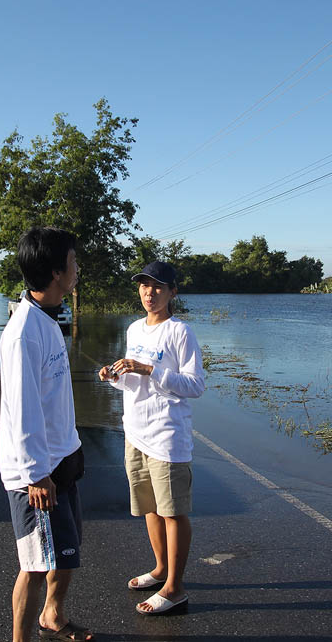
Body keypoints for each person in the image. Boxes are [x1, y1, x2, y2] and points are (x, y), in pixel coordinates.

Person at [0, 227, 92, 642]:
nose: (77, 269)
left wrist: (72, 450)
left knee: (65, 554)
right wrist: (37, 474)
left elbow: (52, 401)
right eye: (72, 262)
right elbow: (23, 412)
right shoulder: (22, 334)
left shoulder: (48, 321)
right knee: (35, 564)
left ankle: (52, 615)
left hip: (61, 462)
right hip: (38, 475)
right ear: (56, 272)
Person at [98, 261, 205, 616]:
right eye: (144, 285)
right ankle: (160, 569)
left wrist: (149, 368)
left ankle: (175, 588)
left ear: (173, 292)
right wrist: (114, 375)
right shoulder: (134, 329)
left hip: (167, 436)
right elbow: (133, 383)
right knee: (148, 507)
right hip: (136, 432)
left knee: (172, 511)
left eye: (158, 286)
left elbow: (195, 386)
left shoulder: (180, 332)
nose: (149, 292)